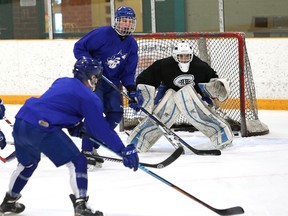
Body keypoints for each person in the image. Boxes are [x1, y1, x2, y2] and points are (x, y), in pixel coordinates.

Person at [0, 57, 139, 216]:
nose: (96, 80)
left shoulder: (61, 81)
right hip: (42, 128)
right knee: (78, 162)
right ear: (91, 76)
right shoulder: (90, 97)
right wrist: (122, 149)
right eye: (96, 76)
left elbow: (56, 106)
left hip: (22, 120)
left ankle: (8, 202)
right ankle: (81, 206)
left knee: (27, 164)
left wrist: (74, 125)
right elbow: (101, 130)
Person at [127, 41, 233, 152]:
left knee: (204, 114)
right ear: (175, 56)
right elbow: (145, 79)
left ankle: (220, 134)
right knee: (159, 116)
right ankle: (141, 139)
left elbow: (211, 80)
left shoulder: (200, 66)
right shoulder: (164, 65)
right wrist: (138, 94)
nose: (184, 58)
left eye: (187, 56)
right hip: (168, 90)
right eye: (181, 56)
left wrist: (214, 90)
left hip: (193, 93)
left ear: (191, 55)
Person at [73, 6, 141, 168]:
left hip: (113, 83)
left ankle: (94, 145)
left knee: (116, 114)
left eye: (129, 21)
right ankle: (86, 150)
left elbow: (128, 71)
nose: (126, 24)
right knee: (94, 114)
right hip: (94, 81)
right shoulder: (102, 34)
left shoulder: (132, 45)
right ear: (117, 21)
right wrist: (91, 66)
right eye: (124, 20)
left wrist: (131, 89)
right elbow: (79, 47)